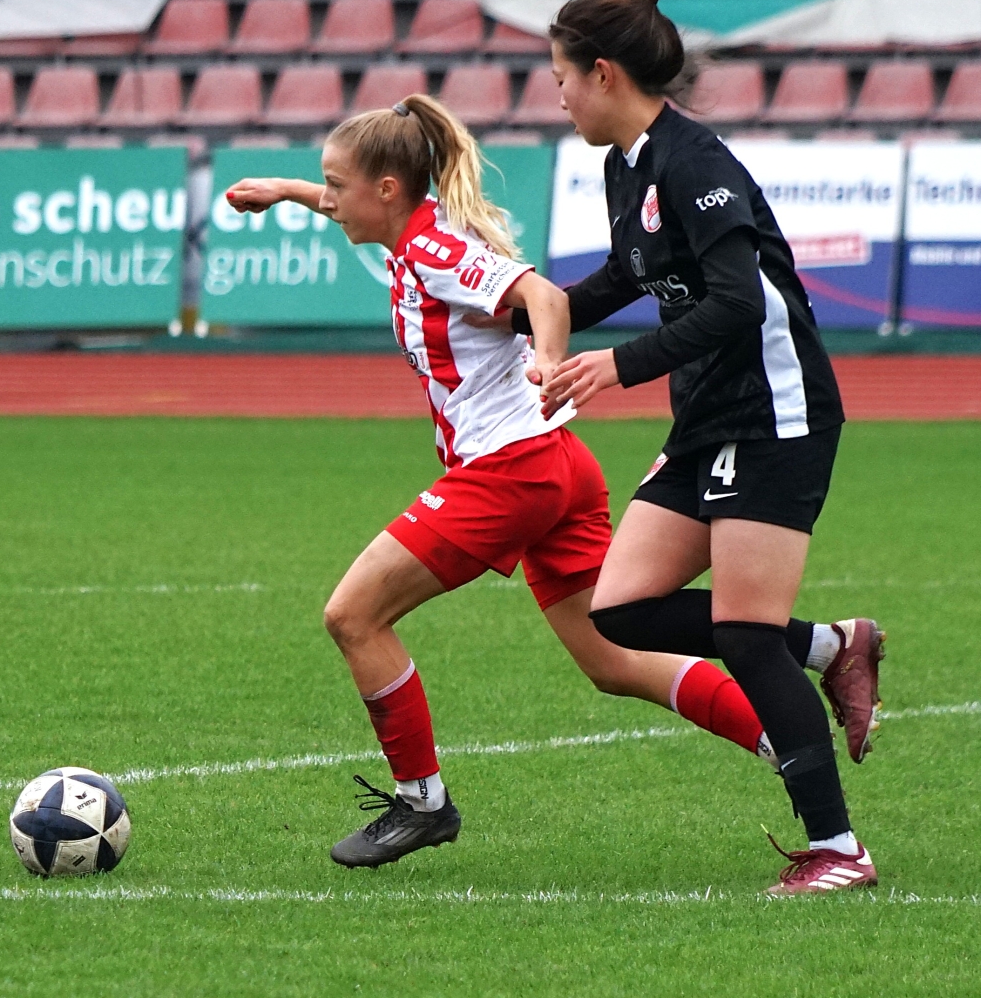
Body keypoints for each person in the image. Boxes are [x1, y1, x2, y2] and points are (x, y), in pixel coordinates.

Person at [224, 94, 876, 871]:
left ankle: (422, 801)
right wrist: (287, 190)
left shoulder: (433, 246)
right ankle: (782, 727)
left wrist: (546, 361)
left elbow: (544, 296)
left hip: (512, 469)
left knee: (353, 615)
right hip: (554, 466)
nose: (328, 200)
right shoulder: (412, 228)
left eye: (335, 186)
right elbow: (367, 204)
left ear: (388, 190)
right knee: (614, 655)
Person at [532, 0, 883, 895]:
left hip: (776, 410)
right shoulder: (626, 164)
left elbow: (736, 301)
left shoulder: (695, 161)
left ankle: (839, 850)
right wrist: (529, 309)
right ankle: (833, 646)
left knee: (741, 630)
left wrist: (615, 367)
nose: (555, 94)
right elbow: (629, 274)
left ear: (603, 73)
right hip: (709, 415)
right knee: (622, 609)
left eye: (560, 76)